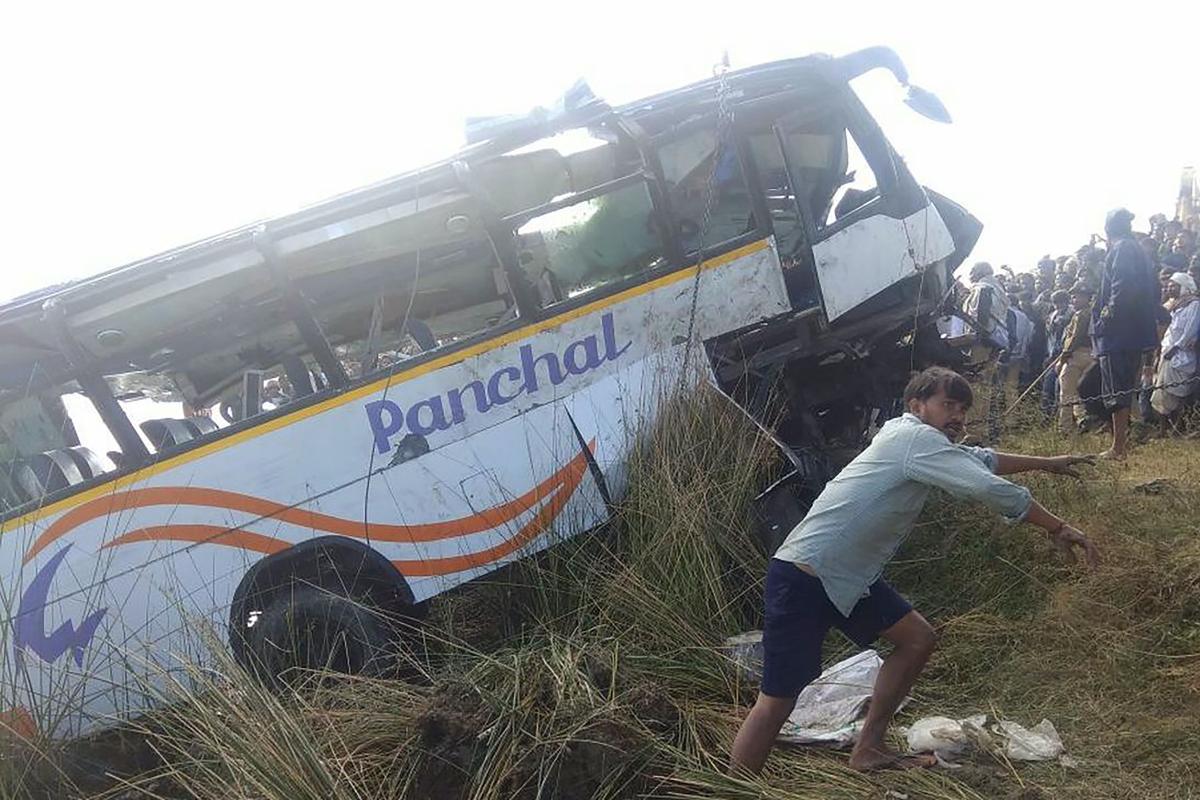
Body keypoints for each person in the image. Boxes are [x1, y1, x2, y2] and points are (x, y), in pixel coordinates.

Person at [729, 367, 1099, 774]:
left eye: (963, 408)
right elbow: (985, 486)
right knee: (777, 702)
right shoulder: (915, 439)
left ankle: (868, 748)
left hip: (848, 577)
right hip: (807, 575)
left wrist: (1047, 463)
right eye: (948, 404)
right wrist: (1057, 527)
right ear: (917, 405)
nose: (957, 415)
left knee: (917, 639)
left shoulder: (912, 436)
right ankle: (736, 786)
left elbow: (980, 461)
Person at [1092, 209, 1159, 459]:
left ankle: (1119, 447)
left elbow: (1122, 286)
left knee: (1116, 389)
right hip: (1130, 332)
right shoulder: (1137, 250)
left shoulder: (1122, 248)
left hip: (1117, 334)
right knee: (1103, 386)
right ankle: (1122, 439)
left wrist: (1106, 318)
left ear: (1108, 229)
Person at [962, 262, 1010, 440]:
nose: (970, 275)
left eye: (972, 271)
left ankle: (973, 432)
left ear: (981, 272)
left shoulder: (982, 288)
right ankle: (980, 430)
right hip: (995, 342)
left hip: (980, 343)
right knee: (985, 386)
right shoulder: (999, 290)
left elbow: (980, 318)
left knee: (974, 384)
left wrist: (971, 338)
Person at [1150, 272, 1200, 425]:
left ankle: (1177, 427)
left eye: (1174, 286)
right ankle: (1163, 429)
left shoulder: (1194, 304)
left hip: (1182, 355)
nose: (1169, 289)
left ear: (1183, 287)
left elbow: (1190, 330)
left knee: (1178, 393)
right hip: (1166, 353)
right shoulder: (1172, 306)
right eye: (1168, 286)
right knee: (1161, 392)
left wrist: (1176, 348)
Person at [1058, 282, 1096, 434]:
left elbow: (1075, 337)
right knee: (1078, 391)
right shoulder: (1093, 312)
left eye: (1078, 297)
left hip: (1076, 355)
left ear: (1087, 298)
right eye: (1073, 297)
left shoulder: (1081, 315)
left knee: (1066, 392)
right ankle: (1082, 418)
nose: (1074, 300)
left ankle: (1065, 427)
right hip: (1091, 355)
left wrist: (1064, 356)